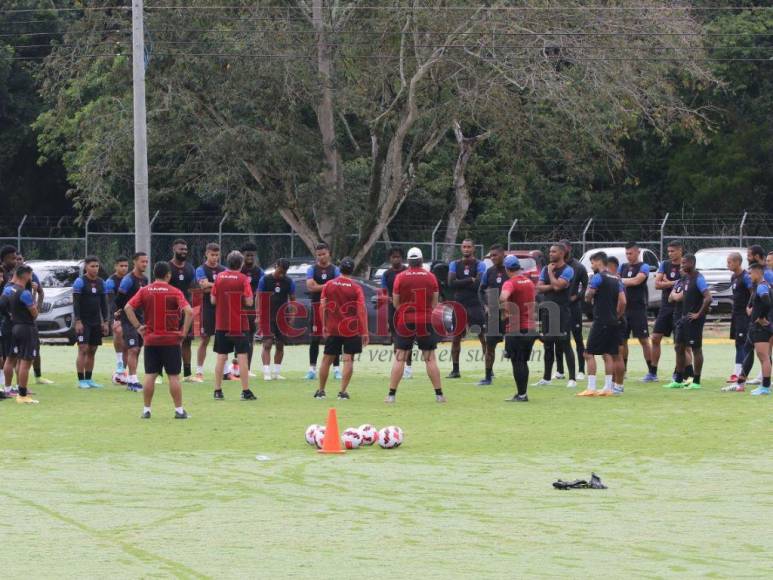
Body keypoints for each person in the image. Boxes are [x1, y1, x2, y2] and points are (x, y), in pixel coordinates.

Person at [124, 261, 193, 419]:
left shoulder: (145, 291)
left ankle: (147, 410)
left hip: (151, 340)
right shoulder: (175, 291)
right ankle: (179, 410)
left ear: (154, 274)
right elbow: (189, 312)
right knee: (173, 376)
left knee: (150, 375)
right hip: (171, 340)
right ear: (168, 275)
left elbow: (128, 307)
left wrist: (138, 327)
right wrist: (183, 331)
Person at [385, 247, 445, 404]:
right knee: (430, 359)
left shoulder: (400, 277)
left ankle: (391, 395)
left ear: (408, 261)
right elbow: (434, 301)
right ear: (421, 260)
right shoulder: (431, 277)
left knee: (400, 358)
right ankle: (439, 395)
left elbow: (396, 302)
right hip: (425, 320)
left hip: (405, 320)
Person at [314, 257, 368, 400]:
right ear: (352, 270)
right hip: (351, 329)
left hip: (333, 327)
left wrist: (324, 325)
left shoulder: (329, 285)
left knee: (327, 359)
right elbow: (361, 310)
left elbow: (322, 307)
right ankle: (342, 392)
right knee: (348, 359)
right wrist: (364, 331)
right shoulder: (356, 287)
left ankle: (321, 391)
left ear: (339, 268)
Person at [579, 252, 626, 397]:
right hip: (613, 321)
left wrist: (588, 294)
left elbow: (588, 296)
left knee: (588, 353)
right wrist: (617, 315)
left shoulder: (597, 277)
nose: (592, 266)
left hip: (601, 320)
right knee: (609, 354)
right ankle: (608, 388)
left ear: (599, 262)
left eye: (592, 263)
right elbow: (623, 301)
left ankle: (591, 387)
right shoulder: (617, 279)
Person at [210, 251, 256, 401]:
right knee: (242, 357)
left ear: (227, 262)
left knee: (221, 357)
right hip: (239, 324)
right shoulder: (243, 279)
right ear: (241, 263)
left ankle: (217, 391)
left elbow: (213, 300)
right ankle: (245, 391)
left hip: (222, 324)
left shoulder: (219, 278)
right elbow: (249, 302)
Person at [664, 255, 711, 390]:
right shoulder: (685, 279)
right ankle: (678, 379)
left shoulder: (698, 278)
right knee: (679, 347)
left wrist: (698, 314)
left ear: (692, 263)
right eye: (682, 263)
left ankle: (696, 381)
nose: (682, 265)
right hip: (684, 319)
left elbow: (708, 298)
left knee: (696, 349)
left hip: (694, 320)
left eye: (685, 263)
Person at [534, 244, 576, 388]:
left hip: (562, 312)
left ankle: (572, 378)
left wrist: (552, 276)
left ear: (562, 253)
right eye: (550, 251)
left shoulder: (568, 270)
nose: (550, 253)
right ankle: (546, 378)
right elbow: (539, 287)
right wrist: (554, 284)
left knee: (565, 344)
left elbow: (559, 286)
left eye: (554, 251)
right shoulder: (545, 268)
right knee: (547, 345)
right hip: (547, 311)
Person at [446, 238, 486, 379]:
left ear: (473, 248)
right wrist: (470, 279)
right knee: (456, 338)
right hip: (459, 305)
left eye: (469, 247)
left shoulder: (480, 264)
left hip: (475, 304)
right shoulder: (454, 264)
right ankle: (455, 370)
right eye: (464, 246)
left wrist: (460, 282)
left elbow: (478, 284)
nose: (466, 249)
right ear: (461, 248)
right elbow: (451, 283)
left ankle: (489, 369)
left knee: (483, 337)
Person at [499, 255, 537, 402]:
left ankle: (522, 395)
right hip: (530, 327)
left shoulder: (510, 283)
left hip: (517, 328)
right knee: (523, 361)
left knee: (517, 361)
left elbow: (503, 297)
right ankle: (522, 393)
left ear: (507, 269)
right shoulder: (528, 281)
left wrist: (505, 311)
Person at [1, 265, 40, 404]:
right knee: (25, 361)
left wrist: (9, 315)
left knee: (11, 358)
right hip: (26, 328)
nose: (31, 278)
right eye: (31, 275)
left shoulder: (8, 289)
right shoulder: (25, 293)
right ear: (26, 275)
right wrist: (35, 295)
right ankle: (22, 395)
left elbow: (2, 304)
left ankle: (7, 388)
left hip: (14, 327)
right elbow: (34, 313)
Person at [649, 240, 684, 382]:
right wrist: (673, 282)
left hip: (680, 308)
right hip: (665, 307)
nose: (670, 254)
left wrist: (667, 282)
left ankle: (678, 372)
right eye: (668, 251)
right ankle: (652, 372)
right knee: (655, 337)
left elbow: (686, 283)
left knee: (679, 344)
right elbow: (657, 284)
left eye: (673, 251)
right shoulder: (664, 264)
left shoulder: (685, 264)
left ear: (680, 250)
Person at [734, 263, 772, 395]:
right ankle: (740, 383)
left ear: (757, 273)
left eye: (750, 274)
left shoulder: (762, 287)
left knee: (764, 357)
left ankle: (765, 387)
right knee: (749, 351)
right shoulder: (759, 286)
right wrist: (751, 310)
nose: (749, 276)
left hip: (761, 328)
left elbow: (767, 302)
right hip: (754, 328)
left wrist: (761, 317)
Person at [305, 242, 341, 380]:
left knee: (334, 338)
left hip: (333, 307)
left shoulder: (335, 269)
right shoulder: (312, 269)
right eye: (319, 255)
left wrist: (319, 286)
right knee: (315, 338)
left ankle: (337, 369)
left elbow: (337, 287)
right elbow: (310, 287)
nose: (321, 257)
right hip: (316, 306)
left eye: (324, 254)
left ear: (329, 253)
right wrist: (328, 285)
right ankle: (312, 370)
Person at [115, 252, 149, 392]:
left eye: (146, 262)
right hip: (128, 319)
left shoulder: (145, 279)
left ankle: (131, 378)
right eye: (142, 262)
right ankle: (133, 379)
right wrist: (122, 311)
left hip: (140, 318)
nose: (145, 264)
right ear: (135, 262)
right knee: (132, 348)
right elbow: (119, 298)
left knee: (138, 348)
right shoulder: (128, 279)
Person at [73, 256, 109, 389]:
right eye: (92, 266)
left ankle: (89, 379)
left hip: (95, 322)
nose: (95, 268)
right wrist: (77, 321)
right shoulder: (80, 282)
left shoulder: (101, 283)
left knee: (92, 350)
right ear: (86, 267)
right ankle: (81, 380)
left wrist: (105, 321)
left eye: (97, 266)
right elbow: (76, 303)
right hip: (83, 321)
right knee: (83, 348)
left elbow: (104, 304)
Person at [16, 254, 52, 385]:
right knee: (15, 353)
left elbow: (40, 292)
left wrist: (38, 306)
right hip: (16, 319)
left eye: (20, 259)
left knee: (35, 347)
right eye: (16, 259)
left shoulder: (31, 275)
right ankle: (15, 385)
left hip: (29, 317)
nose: (18, 261)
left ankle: (38, 376)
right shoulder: (10, 277)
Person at [257, 258, 296, 381]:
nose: (281, 274)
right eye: (280, 271)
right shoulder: (265, 280)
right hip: (267, 316)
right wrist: (258, 315)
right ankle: (266, 372)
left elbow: (293, 300)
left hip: (282, 317)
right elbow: (258, 297)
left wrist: (293, 315)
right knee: (267, 343)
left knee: (280, 344)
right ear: (276, 266)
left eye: (284, 272)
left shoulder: (289, 282)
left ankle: (276, 372)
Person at [620, 242, 654, 379]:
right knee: (622, 341)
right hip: (623, 309)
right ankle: (623, 371)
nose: (629, 256)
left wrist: (620, 280)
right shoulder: (623, 267)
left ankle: (652, 371)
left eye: (631, 253)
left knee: (644, 340)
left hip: (638, 309)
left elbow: (636, 281)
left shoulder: (644, 266)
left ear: (637, 252)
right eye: (627, 253)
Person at [194, 243, 225, 382]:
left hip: (222, 308)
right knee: (204, 339)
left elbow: (209, 287)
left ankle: (225, 371)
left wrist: (211, 285)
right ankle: (199, 372)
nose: (215, 257)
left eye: (217, 255)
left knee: (223, 339)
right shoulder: (200, 269)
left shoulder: (223, 269)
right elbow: (203, 286)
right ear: (206, 254)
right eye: (212, 255)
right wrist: (219, 284)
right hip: (207, 308)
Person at [167, 239, 197, 382]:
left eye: (185, 249)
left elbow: (192, 289)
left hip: (186, 310)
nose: (184, 252)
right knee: (168, 341)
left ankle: (187, 374)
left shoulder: (190, 268)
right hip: (170, 310)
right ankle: (160, 374)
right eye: (181, 249)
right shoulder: (167, 267)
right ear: (174, 249)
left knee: (187, 341)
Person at [478, 244, 507, 386]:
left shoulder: (511, 271)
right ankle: (488, 376)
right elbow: (481, 290)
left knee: (515, 346)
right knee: (490, 346)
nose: (493, 258)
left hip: (509, 315)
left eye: (495, 255)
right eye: (491, 256)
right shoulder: (489, 272)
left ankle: (518, 375)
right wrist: (486, 306)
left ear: (503, 254)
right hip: (494, 315)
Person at [722, 252, 752, 389]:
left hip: (744, 316)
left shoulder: (745, 277)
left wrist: (750, 307)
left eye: (729, 262)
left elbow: (753, 292)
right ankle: (736, 372)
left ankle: (741, 374)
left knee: (743, 343)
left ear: (737, 262)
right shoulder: (733, 276)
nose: (728, 265)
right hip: (736, 315)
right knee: (737, 343)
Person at [381, 247, 412, 379]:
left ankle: (408, 368)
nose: (396, 259)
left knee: (408, 338)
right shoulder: (386, 274)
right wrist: (389, 298)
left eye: (398, 257)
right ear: (390, 259)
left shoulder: (407, 271)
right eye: (393, 257)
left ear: (402, 258)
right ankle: (398, 365)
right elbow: (383, 293)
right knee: (395, 338)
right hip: (392, 308)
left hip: (407, 308)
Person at [561, 240, 588, 381]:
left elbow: (586, 286)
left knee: (577, 339)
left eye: (564, 248)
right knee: (559, 339)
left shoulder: (578, 267)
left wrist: (576, 297)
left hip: (574, 308)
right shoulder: (555, 266)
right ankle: (560, 371)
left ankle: (581, 370)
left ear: (569, 249)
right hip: (559, 308)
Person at [239, 241, 264, 377]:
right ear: (242, 255)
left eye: (252, 255)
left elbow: (262, 292)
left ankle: (247, 369)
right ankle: (235, 368)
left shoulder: (259, 272)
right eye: (247, 255)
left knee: (249, 339)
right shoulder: (238, 270)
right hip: (237, 309)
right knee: (236, 338)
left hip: (252, 310)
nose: (249, 257)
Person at [105, 256, 129, 384]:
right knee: (118, 332)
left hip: (130, 314)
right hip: (117, 315)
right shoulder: (110, 281)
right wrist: (116, 316)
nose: (124, 268)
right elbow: (111, 301)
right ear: (116, 266)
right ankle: (119, 361)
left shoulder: (130, 279)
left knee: (128, 345)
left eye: (126, 266)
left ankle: (121, 373)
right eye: (121, 266)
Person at [0, 246, 18, 395]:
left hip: (8, 319)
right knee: (5, 355)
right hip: (4, 319)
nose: (15, 260)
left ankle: (8, 386)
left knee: (10, 354)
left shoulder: (13, 273)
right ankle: (5, 387)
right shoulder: (3, 274)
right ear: (4, 258)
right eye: (12, 258)